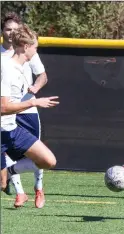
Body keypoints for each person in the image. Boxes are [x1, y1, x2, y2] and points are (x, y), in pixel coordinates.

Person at [1, 24, 59, 208]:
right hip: (1, 131)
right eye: (35, 47)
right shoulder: (7, 69)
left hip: (12, 129)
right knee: (2, 184)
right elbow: (2, 108)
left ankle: (11, 170)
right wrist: (33, 102)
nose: (36, 50)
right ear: (26, 47)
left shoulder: (19, 67)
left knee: (48, 161)